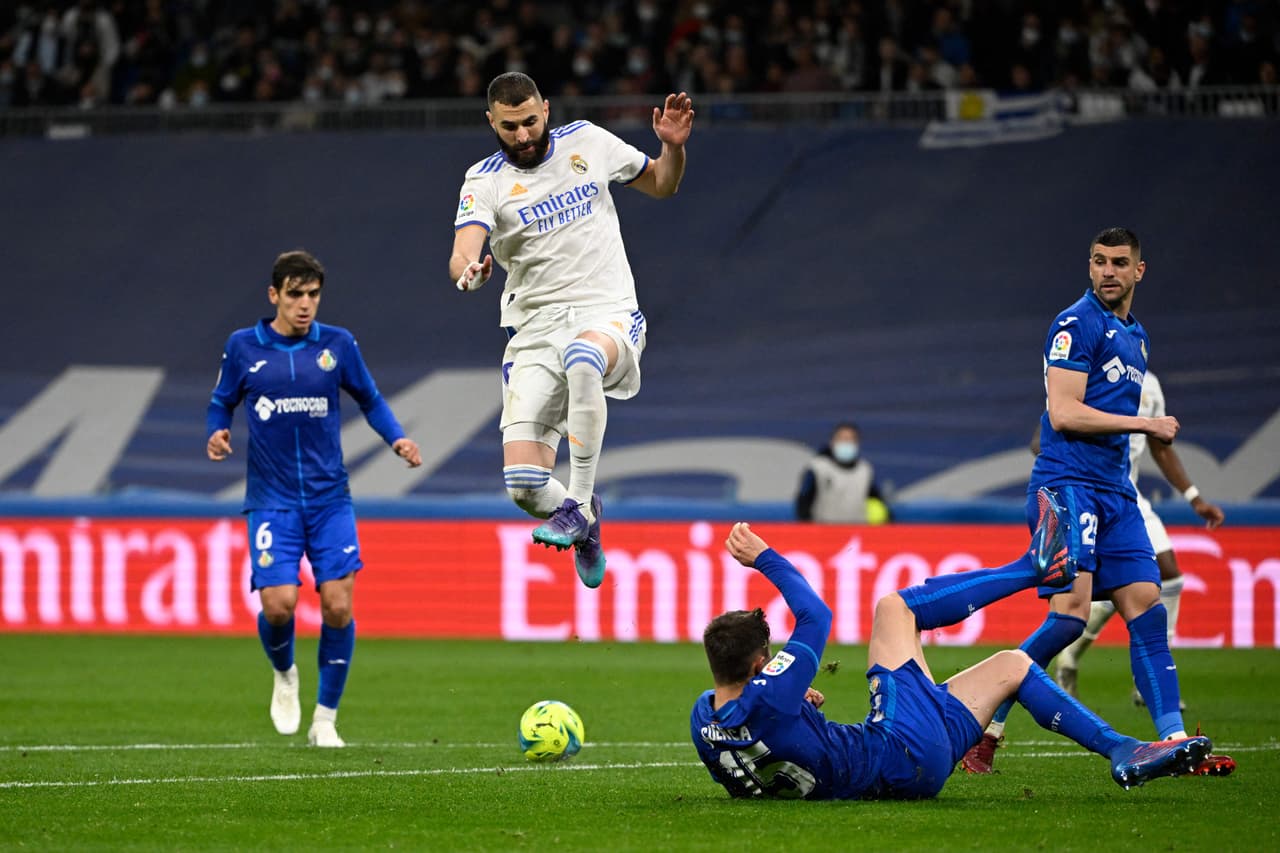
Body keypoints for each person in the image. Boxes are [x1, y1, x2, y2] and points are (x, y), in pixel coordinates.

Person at [691, 515, 1220, 800]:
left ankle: (1124, 749)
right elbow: (816, 616)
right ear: (761, 664)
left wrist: (796, 706)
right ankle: (1033, 567)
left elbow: (759, 729)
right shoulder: (769, 695)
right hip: (893, 749)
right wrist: (765, 558)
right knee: (894, 608)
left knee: (1013, 665)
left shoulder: (704, 720)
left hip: (916, 768)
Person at [960, 228, 1233, 776]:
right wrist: (1144, 423)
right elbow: (1063, 413)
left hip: (1116, 494)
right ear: (1089, 267)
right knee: (1069, 619)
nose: (1108, 271)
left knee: (1148, 613)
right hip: (1066, 486)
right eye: (1099, 261)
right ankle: (981, 728)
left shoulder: (1138, 337)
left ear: (1139, 271)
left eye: (1120, 262)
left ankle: (1175, 746)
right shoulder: (1073, 324)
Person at [449, 71, 694, 589]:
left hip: (605, 311)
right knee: (524, 485)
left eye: (530, 122)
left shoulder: (588, 141)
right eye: (510, 126)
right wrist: (470, 269)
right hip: (534, 330)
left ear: (547, 109)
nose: (522, 136)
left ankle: (579, 504)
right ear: (491, 122)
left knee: (583, 358)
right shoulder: (484, 180)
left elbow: (662, 184)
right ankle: (588, 523)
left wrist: (672, 149)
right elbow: (463, 249)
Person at [206, 250, 422, 748]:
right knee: (279, 606)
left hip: (329, 499)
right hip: (272, 500)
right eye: (296, 294)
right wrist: (217, 432)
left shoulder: (337, 345)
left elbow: (369, 397)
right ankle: (285, 674)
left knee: (338, 606)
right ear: (274, 295)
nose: (305, 305)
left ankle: (325, 719)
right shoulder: (244, 347)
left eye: (313, 295)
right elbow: (222, 400)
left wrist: (396, 438)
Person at [1054, 369, 1226, 703]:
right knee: (1107, 587)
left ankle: (1144, 676)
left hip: (1128, 495)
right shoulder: (1084, 375)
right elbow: (1045, 434)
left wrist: (1195, 498)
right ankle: (1069, 659)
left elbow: (1161, 448)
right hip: (1090, 492)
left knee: (1167, 576)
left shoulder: (1148, 384)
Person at [794, 421, 890, 524]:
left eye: (850, 439)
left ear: (857, 443)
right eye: (842, 439)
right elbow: (803, 502)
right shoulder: (817, 468)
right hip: (824, 530)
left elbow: (877, 500)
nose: (846, 443)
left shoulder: (865, 470)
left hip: (857, 532)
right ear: (832, 442)